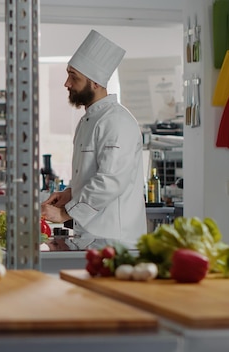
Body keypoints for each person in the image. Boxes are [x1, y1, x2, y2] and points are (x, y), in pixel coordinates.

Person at [41, 30, 147, 246]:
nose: (67, 83)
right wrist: (71, 193)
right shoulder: (88, 120)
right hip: (91, 236)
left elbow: (110, 180)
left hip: (114, 240)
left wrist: (64, 214)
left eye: (74, 77)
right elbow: (92, 173)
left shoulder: (117, 121)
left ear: (96, 83)